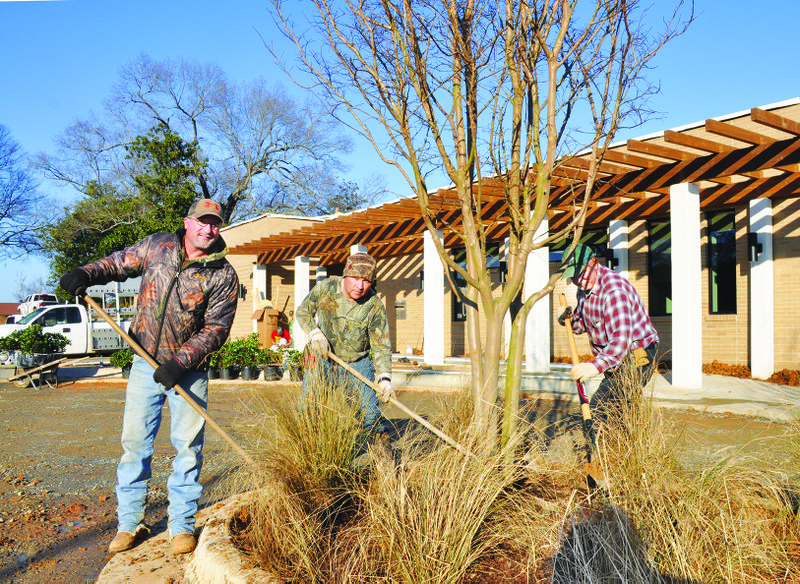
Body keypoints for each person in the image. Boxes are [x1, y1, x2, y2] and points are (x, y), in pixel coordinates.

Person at [59, 198, 238, 556]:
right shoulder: (159, 246)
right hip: (144, 362)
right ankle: (130, 524)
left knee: (188, 450)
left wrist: (179, 362)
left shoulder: (223, 274)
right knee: (135, 445)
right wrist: (85, 273)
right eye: (202, 222)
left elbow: (217, 328)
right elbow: (117, 263)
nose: (208, 229)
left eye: (214, 223)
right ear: (187, 222)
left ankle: (181, 526)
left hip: (189, 372)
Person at [295, 252, 395, 435]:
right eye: (355, 278)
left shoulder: (373, 305)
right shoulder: (325, 288)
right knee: (308, 406)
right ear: (346, 275)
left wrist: (385, 379)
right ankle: (304, 447)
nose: (360, 286)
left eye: (366, 281)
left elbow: (381, 345)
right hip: (322, 358)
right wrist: (314, 333)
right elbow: (303, 312)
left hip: (357, 363)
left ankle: (380, 451)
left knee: (370, 414)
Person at [559, 243, 659, 422]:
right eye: (573, 277)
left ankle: (599, 447)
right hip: (615, 358)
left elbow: (621, 340)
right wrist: (567, 320)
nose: (578, 280)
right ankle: (625, 445)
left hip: (637, 354)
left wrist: (593, 367)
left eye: (581, 273)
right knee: (620, 409)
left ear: (594, 262)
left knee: (602, 408)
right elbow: (582, 324)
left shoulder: (614, 290)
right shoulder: (584, 290)